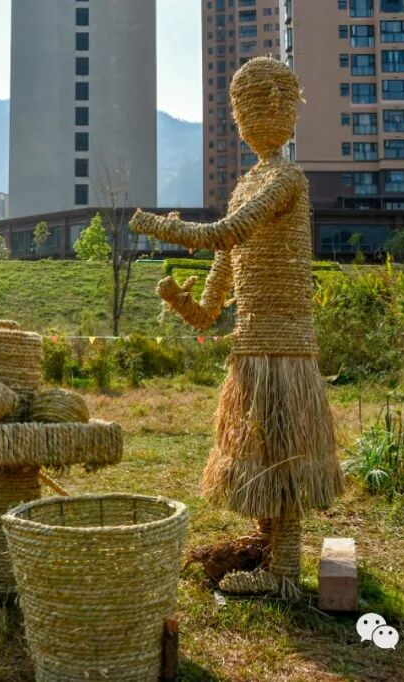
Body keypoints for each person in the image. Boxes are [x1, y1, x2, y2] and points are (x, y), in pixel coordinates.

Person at [130, 57, 342, 599]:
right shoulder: (247, 185)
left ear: (288, 111)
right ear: (239, 117)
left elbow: (226, 233)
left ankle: (284, 573)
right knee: (262, 454)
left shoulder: (286, 179)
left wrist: (162, 227)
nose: (257, 116)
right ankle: (268, 551)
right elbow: (210, 306)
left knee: (284, 453)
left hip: (283, 348)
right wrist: (181, 301)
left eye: (270, 103)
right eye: (246, 107)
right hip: (250, 349)